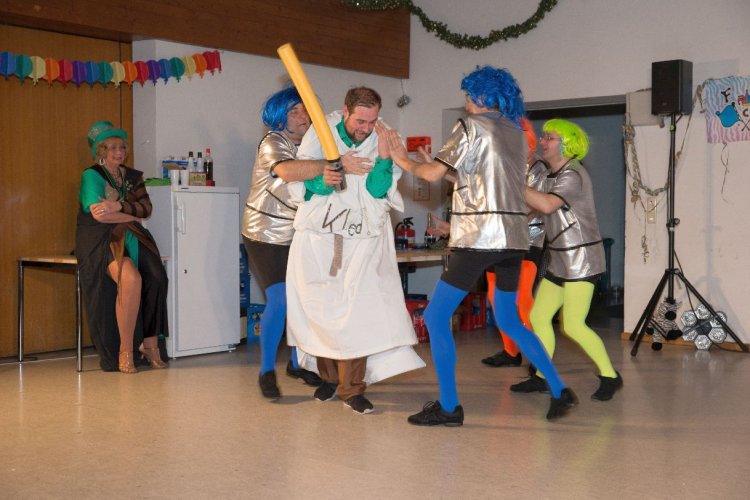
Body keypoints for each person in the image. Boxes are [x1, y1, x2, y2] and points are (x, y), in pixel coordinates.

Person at [384, 66, 577, 426]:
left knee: (435, 317)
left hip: (479, 238)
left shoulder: (470, 125)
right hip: (514, 239)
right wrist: (444, 169)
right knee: (509, 319)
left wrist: (402, 159)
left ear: (481, 96)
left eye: (469, 96)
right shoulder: (515, 132)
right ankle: (558, 388)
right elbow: (486, 180)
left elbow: (430, 175)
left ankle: (448, 406)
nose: (466, 102)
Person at [285, 86, 425, 415]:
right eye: (361, 121)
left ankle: (353, 387)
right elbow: (305, 185)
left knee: (358, 312)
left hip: (363, 239)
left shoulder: (384, 136)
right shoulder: (321, 133)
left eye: (372, 121)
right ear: (345, 111)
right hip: (320, 236)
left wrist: (385, 159)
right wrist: (332, 171)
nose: (366, 128)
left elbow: (378, 191)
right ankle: (329, 379)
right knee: (319, 308)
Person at [513, 118, 623, 401]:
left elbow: (548, 204)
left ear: (567, 144)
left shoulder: (573, 174)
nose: (543, 142)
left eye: (549, 138)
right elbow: (532, 209)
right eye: (544, 137)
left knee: (573, 324)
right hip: (559, 260)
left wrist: (511, 182)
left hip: (582, 260)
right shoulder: (550, 175)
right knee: (539, 317)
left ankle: (610, 376)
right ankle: (542, 375)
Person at [241, 86, 328, 400]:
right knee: (280, 299)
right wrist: (333, 164)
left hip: (297, 233)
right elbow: (287, 171)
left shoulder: (309, 145)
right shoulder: (272, 142)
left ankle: (295, 363)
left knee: (302, 301)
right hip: (263, 234)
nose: (303, 116)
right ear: (280, 116)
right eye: (294, 111)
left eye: (305, 110)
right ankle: (266, 370)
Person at [75, 121, 169, 373]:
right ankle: (125, 351)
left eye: (122, 147)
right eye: (112, 147)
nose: (119, 152)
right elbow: (99, 216)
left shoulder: (133, 177)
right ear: (101, 150)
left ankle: (150, 345)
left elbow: (146, 209)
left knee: (158, 277)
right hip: (100, 238)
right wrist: (130, 214)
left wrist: (117, 206)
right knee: (131, 279)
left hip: (133, 235)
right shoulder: (91, 175)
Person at [482, 119, 546, 368]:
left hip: (527, 242)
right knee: (496, 298)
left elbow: (535, 206)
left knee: (522, 300)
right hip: (497, 241)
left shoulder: (539, 170)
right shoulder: (502, 165)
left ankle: (538, 356)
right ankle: (510, 352)